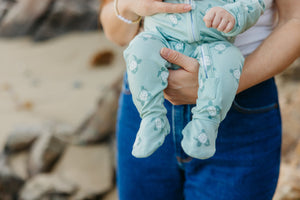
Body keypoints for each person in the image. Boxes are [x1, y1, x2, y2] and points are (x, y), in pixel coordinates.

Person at [100, 0, 300, 199]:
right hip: (146, 94)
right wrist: (127, 5)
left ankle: (206, 123)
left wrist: (220, 84)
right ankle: (153, 118)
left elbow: (295, 19)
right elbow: (113, 28)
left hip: (240, 106)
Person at [122, 0, 265, 159]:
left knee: (230, 58)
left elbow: (255, 3)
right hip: (161, 38)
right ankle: (152, 117)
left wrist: (234, 14)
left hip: (213, 45)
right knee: (140, 47)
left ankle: (205, 125)